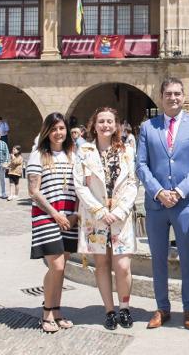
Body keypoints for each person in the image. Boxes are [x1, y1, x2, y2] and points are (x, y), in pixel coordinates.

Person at [136, 77, 189, 330]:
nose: (173, 98)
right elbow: (141, 165)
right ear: (161, 96)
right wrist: (158, 192)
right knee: (158, 258)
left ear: (183, 95)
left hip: (184, 203)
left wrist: (178, 191)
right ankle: (162, 308)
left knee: (188, 258)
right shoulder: (148, 127)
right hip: (156, 205)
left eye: (178, 93)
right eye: (168, 93)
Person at [73, 107, 138, 330]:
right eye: (101, 121)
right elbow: (79, 185)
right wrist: (100, 211)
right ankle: (109, 310)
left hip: (120, 216)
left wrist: (119, 211)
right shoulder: (84, 151)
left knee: (122, 266)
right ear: (94, 125)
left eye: (110, 121)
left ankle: (125, 308)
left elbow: (132, 182)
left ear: (117, 125)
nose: (106, 125)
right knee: (101, 263)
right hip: (96, 218)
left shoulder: (127, 150)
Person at [27, 112, 78, 333]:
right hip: (47, 216)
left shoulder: (72, 155)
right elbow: (33, 191)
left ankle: (57, 311)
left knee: (61, 267)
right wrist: (55, 214)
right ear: (47, 131)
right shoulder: (38, 155)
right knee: (56, 265)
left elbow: (80, 188)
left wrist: (75, 214)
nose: (59, 133)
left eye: (62, 128)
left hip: (69, 217)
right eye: (54, 128)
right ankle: (47, 312)